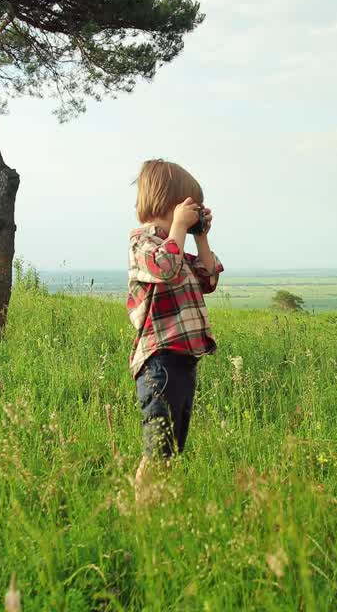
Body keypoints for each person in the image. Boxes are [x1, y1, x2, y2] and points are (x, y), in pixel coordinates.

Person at [126, 159, 223, 490]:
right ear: (169, 203)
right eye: (187, 206)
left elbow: (209, 277)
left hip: (184, 359)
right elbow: (164, 267)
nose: (192, 212)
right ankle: (139, 511)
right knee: (157, 446)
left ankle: (157, 506)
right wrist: (180, 229)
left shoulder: (178, 247)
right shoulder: (143, 244)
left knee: (171, 448)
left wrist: (200, 237)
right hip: (159, 360)